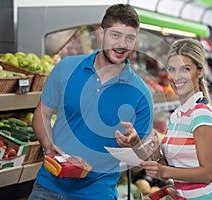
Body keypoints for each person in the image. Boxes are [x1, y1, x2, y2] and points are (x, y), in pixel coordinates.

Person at [28, 4, 153, 200]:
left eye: (129, 38)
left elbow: (142, 161)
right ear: (100, 34)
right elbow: (42, 113)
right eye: (116, 35)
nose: (122, 44)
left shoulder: (141, 93)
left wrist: (135, 145)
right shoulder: (66, 68)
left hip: (97, 193)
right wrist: (48, 144)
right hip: (48, 186)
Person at [118, 38, 212, 199]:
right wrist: (136, 143)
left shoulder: (201, 114)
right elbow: (164, 171)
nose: (176, 76)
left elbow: (207, 173)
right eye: (172, 69)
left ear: (199, 71)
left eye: (185, 69)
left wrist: (164, 171)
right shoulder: (177, 116)